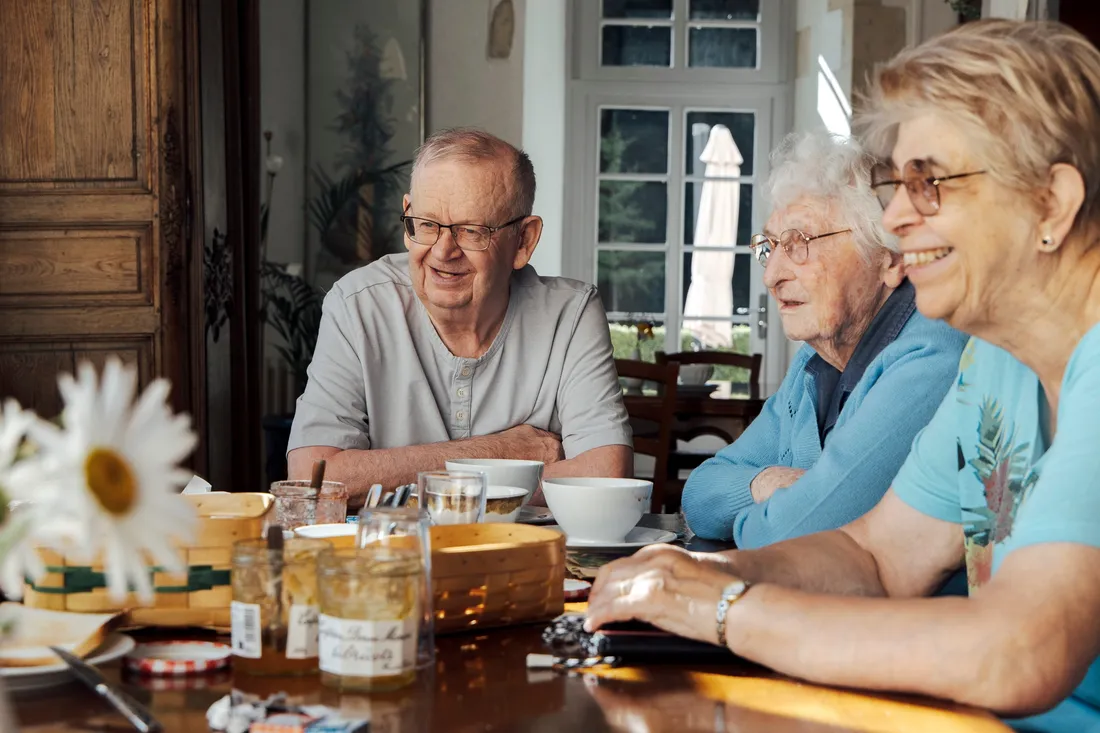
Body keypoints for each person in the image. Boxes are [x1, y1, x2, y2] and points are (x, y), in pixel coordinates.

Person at [586, 20, 1100, 730]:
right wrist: (705, 574)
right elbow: (878, 553)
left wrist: (723, 608)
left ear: (1052, 202)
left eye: (930, 184)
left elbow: (1020, 648)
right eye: (896, 185)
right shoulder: (995, 363)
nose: (892, 217)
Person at [287, 128, 632, 506]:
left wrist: (395, 481)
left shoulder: (571, 314)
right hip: (393, 558)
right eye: (428, 225)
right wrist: (501, 452)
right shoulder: (357, 305)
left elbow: (606, 476)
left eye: (471, 230)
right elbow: (313, 479)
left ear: (524, 241)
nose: (442, 252)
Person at [682, 131, 967, 548]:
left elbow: (798, 534)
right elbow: (699, 495)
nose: (771, 275)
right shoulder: (813, 365)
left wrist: (768, 514)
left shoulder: (931, 353)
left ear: (888, 258)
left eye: (800, 243)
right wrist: (765, 483)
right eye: (770, 246)